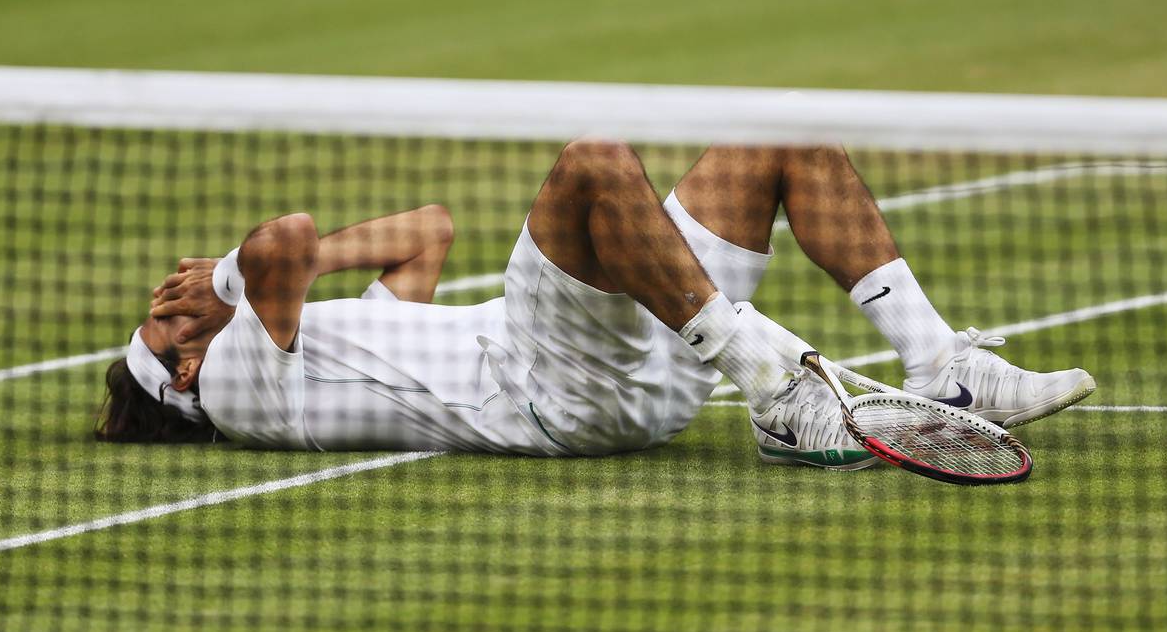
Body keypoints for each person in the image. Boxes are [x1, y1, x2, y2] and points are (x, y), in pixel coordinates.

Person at [98, 141, 1095, 469]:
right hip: (547, 390)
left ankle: (940, 367)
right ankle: (770, 389)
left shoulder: (322, 345)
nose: (182, 310)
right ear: (182, 378)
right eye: (170, 328)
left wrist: (265, 277)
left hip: (606, 362)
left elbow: (429, 231)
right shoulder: (236, 391)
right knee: (591, 167)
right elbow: (284, 243)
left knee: (775, 144)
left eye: (179, 307)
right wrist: (228, 275)